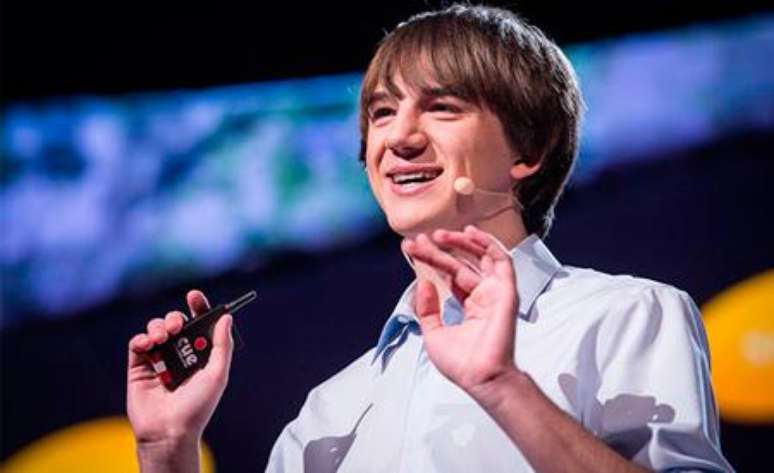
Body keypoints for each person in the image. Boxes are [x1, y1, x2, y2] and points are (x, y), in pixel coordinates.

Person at [127, 4, 732, 472]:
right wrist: (168, 449)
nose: (399, 138)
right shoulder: (328, 413)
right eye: (382, 114)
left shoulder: (625, 316)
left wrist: (502, 387)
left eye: (442, 107)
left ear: (530, 149)